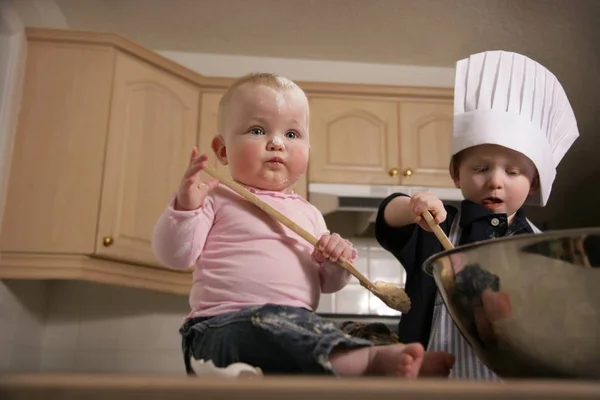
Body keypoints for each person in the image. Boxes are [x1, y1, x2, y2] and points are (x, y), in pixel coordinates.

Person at [151, 72, 455, 378]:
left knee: (336, 330)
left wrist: (335, 263)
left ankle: (369, 353)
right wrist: (185, 207)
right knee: (269, 325)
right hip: (220, 326)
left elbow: (327, 283)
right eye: (257, 130)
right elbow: (175, 255)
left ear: (308, 150)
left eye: (292, 135)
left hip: (295, 323)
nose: (276, 143)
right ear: (222, 150)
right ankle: (368, 362)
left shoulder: (309, 214)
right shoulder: (215, 197)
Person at [375, 50, 579, 380]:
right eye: (481, 168)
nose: (495, 181)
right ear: (456, 174)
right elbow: (388, 217)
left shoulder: (545, 249)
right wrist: (411, 205)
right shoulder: (434, 224)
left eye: (513, 172)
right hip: (430, 384)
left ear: (534, 182)